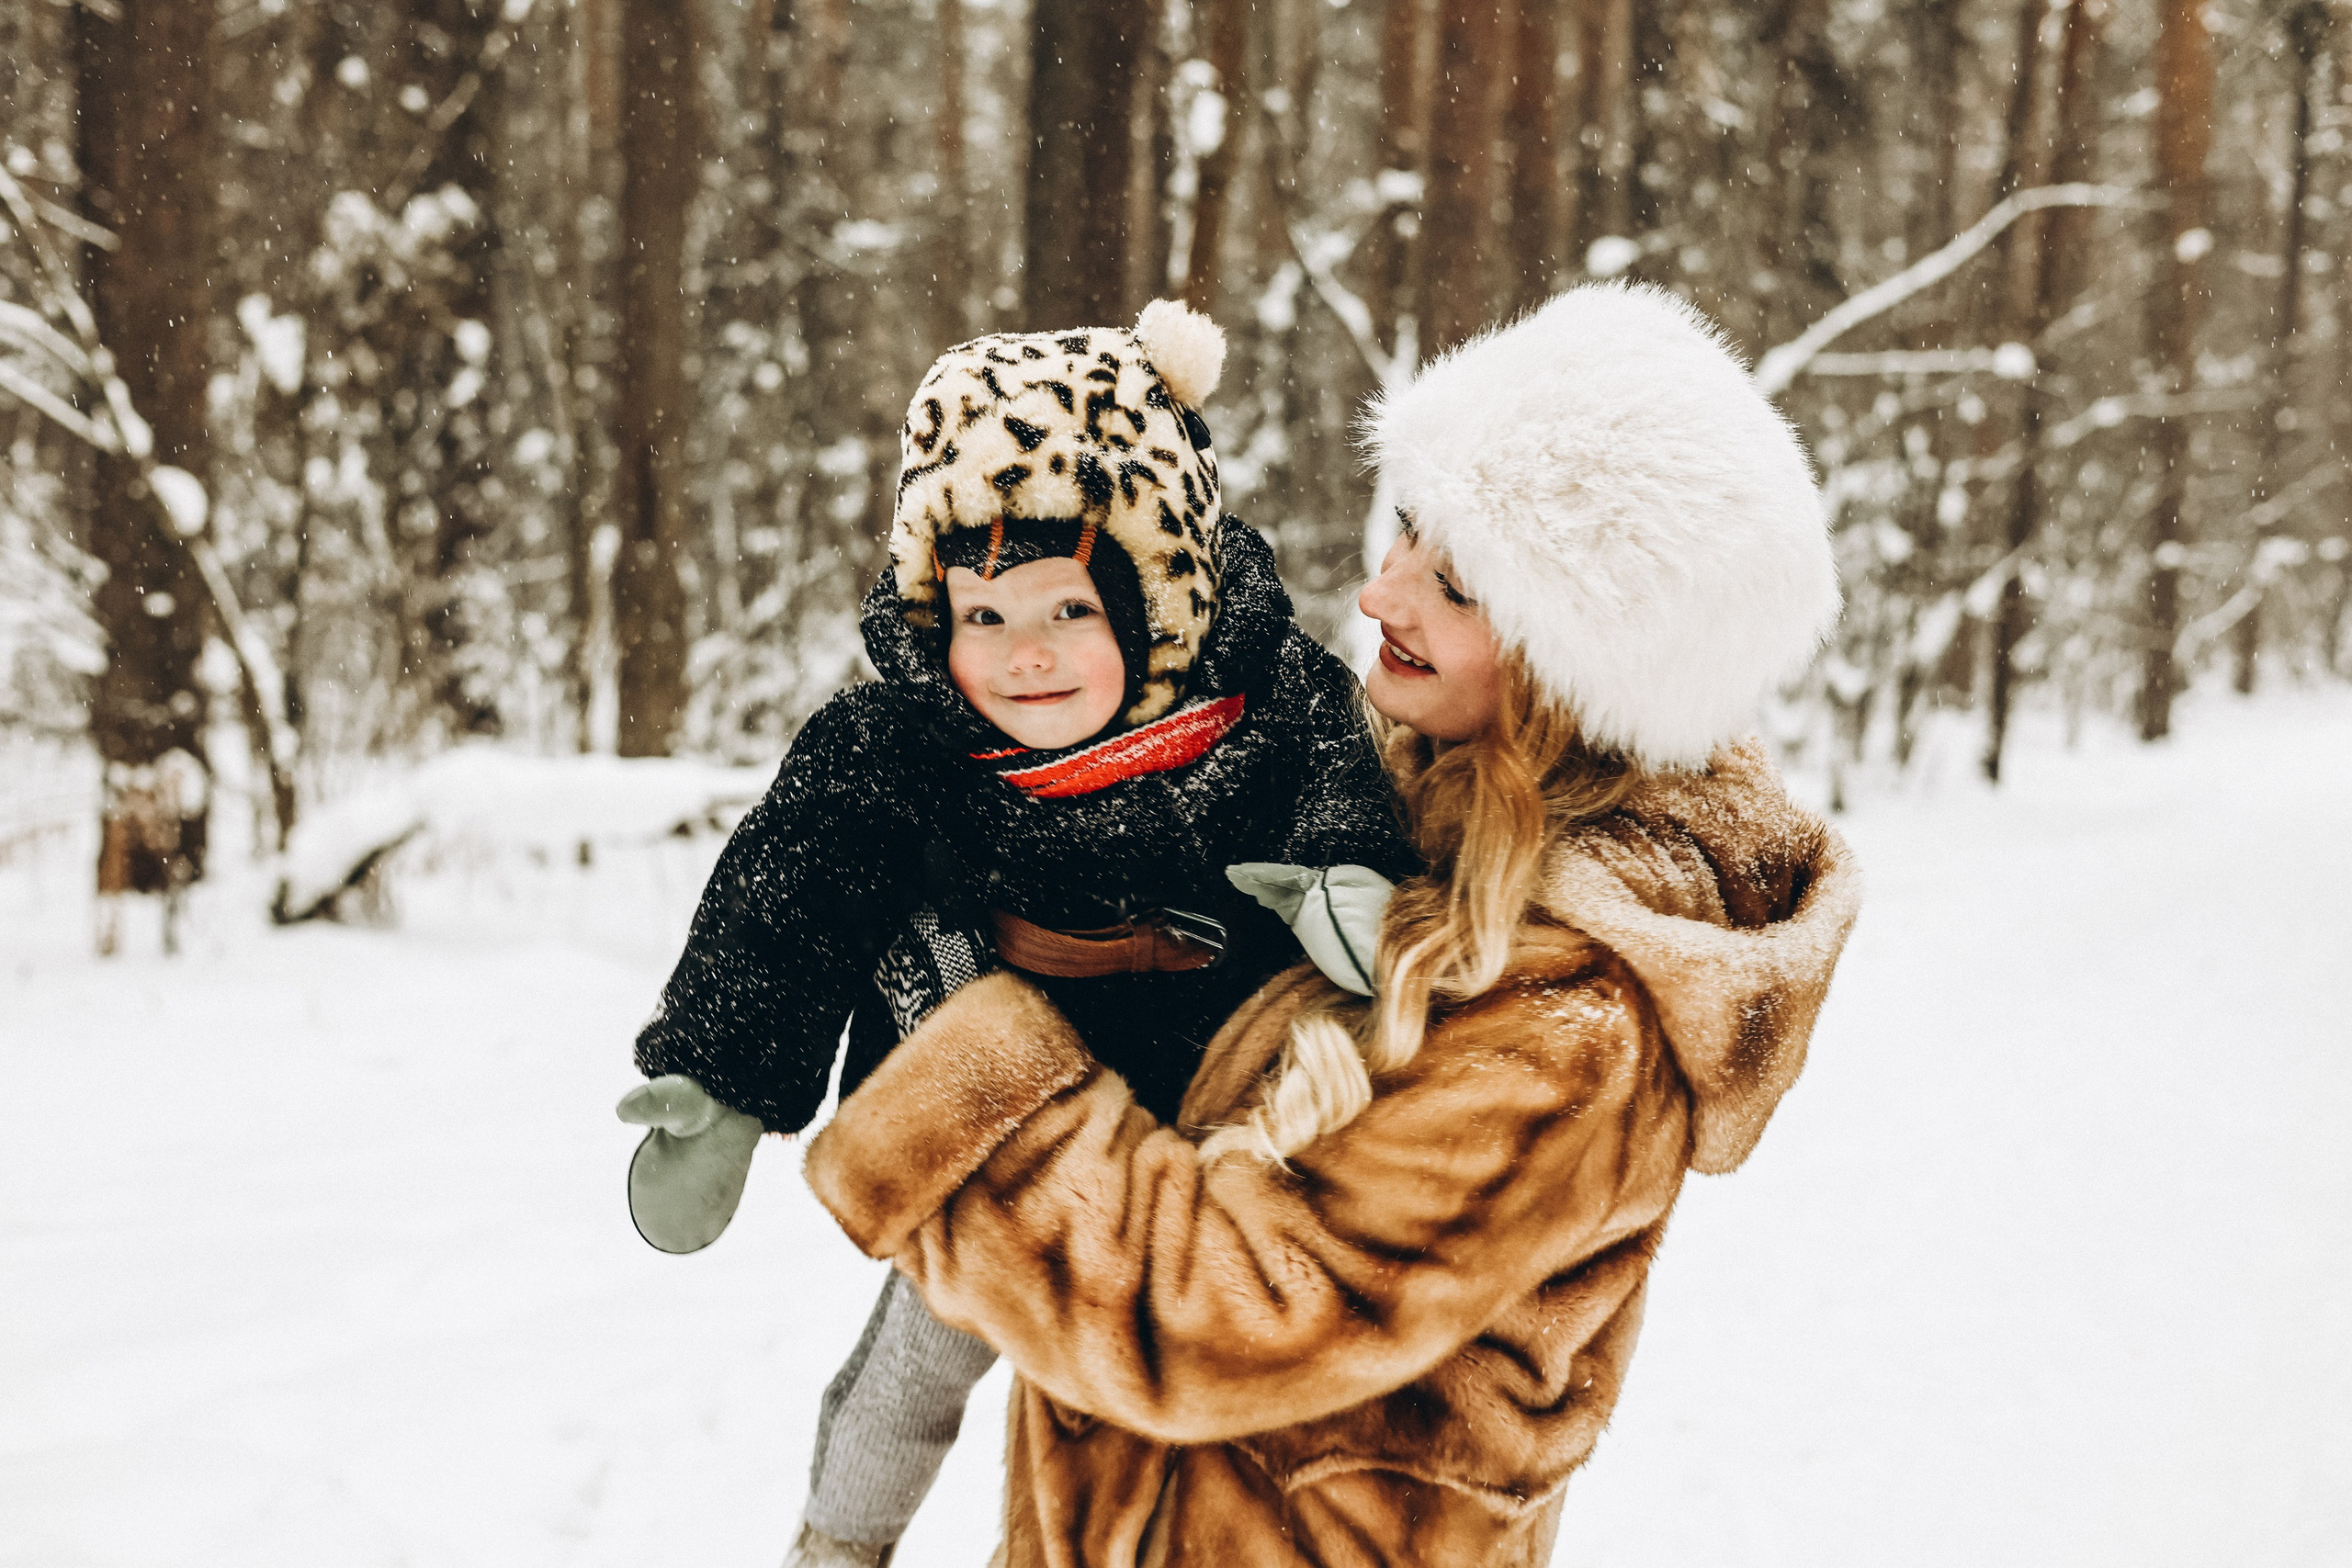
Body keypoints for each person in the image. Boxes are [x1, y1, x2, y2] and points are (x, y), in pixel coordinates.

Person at [802, 282, 1866, 1566]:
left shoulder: (1572, 1017)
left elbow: (1225, 1314)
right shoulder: (1400, 816)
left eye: (1456, 584)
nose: (1379, 593)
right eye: (1408, 532)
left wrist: (976, 1069)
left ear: (1580, 667)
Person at [619, 299, 1419, 1567]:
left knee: (1154, 1391)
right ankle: (838, 1543)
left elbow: (1334, 770)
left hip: (1200, 1096)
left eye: (1068, 614)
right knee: (924, 1354)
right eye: (983, 619)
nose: (1023, 658)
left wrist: (1345, 879)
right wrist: (720, 1074)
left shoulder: (1260, 702)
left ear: (1158, 609)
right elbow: (794, 887)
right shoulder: (908, 741)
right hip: (987, 1097)